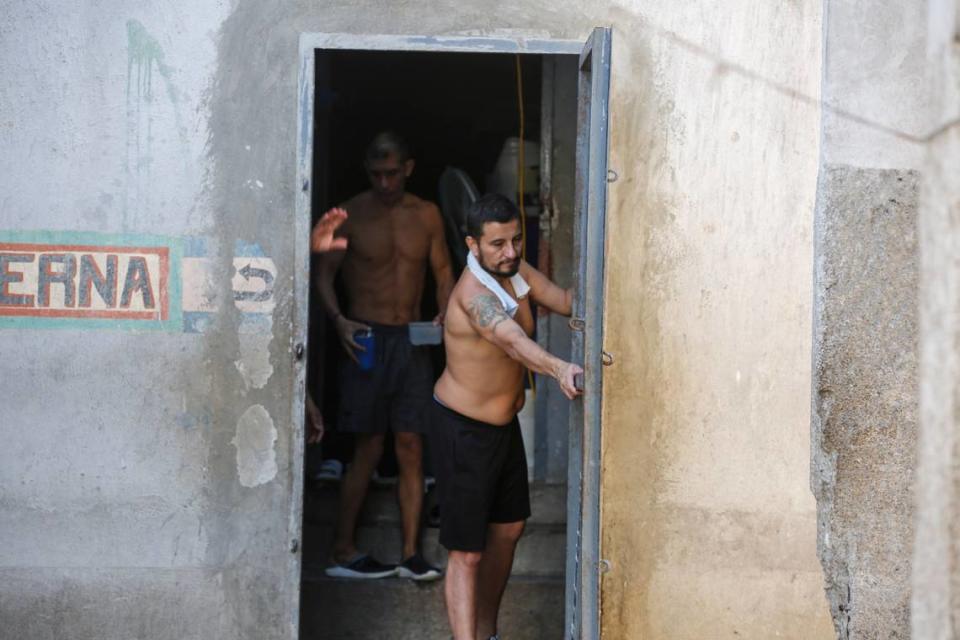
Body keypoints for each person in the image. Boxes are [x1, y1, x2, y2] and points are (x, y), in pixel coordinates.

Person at [430, 193, 582, 640]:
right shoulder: (473, 295)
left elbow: (567, 301)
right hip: (462, 430)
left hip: (502, 428)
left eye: (516, 240)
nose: (511, 251)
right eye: (497, 244)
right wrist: (560, 368)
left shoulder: (515, 271)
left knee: (509, 529)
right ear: (473, 245)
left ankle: (486, 632)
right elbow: (512, 341)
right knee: (467, 552)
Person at [318, 132, 454, 581]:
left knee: (412, 444)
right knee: (369, 445)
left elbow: (442, 273)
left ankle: (413, 554)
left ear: (408, 168)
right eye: (376, 173)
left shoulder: (428, 214)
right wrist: (338, 321)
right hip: (368, 339)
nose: (384, 181)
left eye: (392, 173)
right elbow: (323, 275)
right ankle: (343, 548)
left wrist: (444, 316)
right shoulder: (352, 214)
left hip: (413, 340)